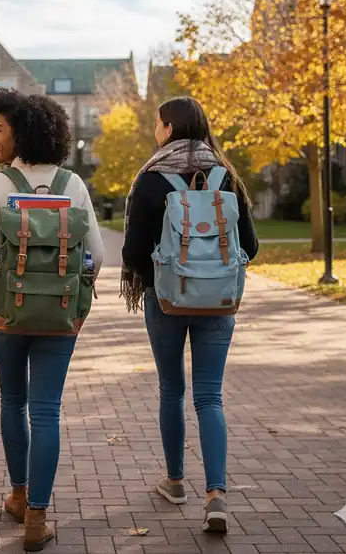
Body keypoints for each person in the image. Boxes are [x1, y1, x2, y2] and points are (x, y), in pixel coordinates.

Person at [0, 89, 105, 552]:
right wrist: (77, 303)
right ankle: (37, 519)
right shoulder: (73, 185)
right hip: (59, 316)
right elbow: (97, 256)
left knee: (12, 402)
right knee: (47, 411)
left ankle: (20, 496)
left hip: (7, 313)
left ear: (20, 133)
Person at [121, 96, 259, 535]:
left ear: (169, 128)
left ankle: (176, 482)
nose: (154, 131)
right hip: (218, 301)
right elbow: (250, 247)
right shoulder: (225, 176)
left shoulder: (151, 180)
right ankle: (216, 494)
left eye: (157, 124)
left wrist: (166, 273)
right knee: (210, 397)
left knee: (171, 389)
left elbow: (133, 253)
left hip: (167, 301)